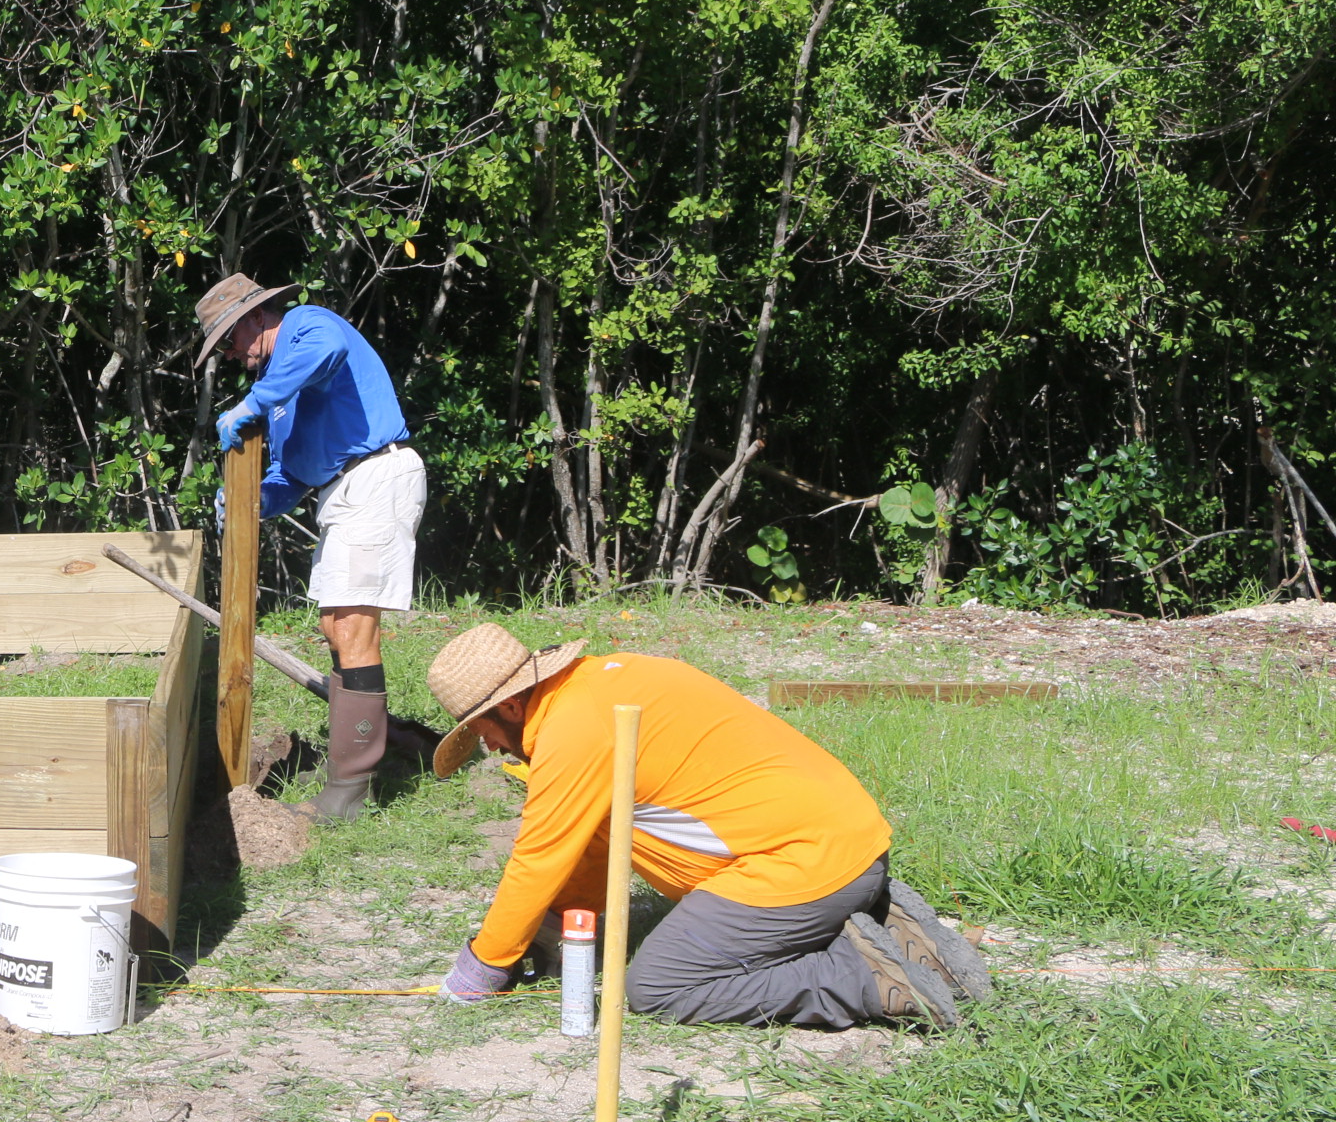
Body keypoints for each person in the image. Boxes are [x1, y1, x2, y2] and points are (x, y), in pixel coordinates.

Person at [425, 623, 995, 1028]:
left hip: (799, 866)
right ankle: (876, 915)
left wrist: (483, 968)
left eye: (480, 732)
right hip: (847, 845)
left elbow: (539, 856)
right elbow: (592, 839)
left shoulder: (572, 731)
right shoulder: (609, 680)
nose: (490, 747)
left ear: (509, 707)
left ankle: (862, 976)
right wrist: (561, 927)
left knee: (657, 987)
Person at [194, 272, 427, 821]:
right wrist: (250, 499)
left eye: (230, 340)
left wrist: (254, 402)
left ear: (255, 317)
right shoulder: (280, 394)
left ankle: (349, 790)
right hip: (340, 494)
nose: (231, 354)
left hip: (375, 475)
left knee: (351, 627)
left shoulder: (306, 326)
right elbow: (290, 476)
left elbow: (331, 349)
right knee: (334, 628)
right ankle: (359, 766)